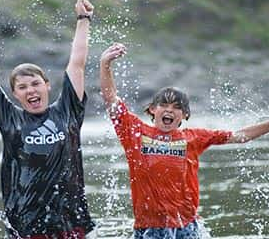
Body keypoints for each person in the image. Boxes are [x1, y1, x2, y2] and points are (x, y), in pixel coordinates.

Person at [99, 42, 269, 238]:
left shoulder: (194, 138)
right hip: (149, 228)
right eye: (164, 104)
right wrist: (106, 64)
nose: (169, 109)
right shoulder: (135, 133)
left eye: (176, 107)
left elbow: (240, 136)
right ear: (153, 110)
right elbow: (111, 99)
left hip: (186, 226)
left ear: (185, 115)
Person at [0, 0, 95, 238]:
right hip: (25, 223)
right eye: (23, 87)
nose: (31, 90)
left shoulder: (68, 109)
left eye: (35, 84)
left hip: (71, 219)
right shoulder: (9, 117)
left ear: (47, 85)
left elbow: (77, 64)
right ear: (14, 94)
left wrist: (83, 19)